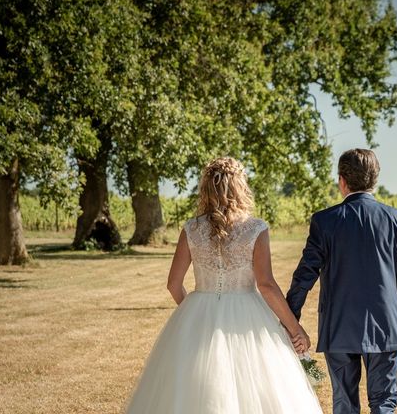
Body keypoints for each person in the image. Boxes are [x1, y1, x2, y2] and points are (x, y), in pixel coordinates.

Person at [122, 157, 322, 414]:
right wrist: (296, 329)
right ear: (240, 187)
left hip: (197, 310)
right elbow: (267, 285)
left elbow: (174, 284)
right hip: (247, 313)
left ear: (205, 188)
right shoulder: (255, 229)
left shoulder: (191, 229)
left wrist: (193, 312)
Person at [286, 148, 397, 414]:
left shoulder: (325, 221)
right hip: (386, 325)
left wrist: (291, 317)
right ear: (375, 179)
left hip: (340, 325)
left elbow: (305, 274)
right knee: (384, 402)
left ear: (342, 181)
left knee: (344, 403)